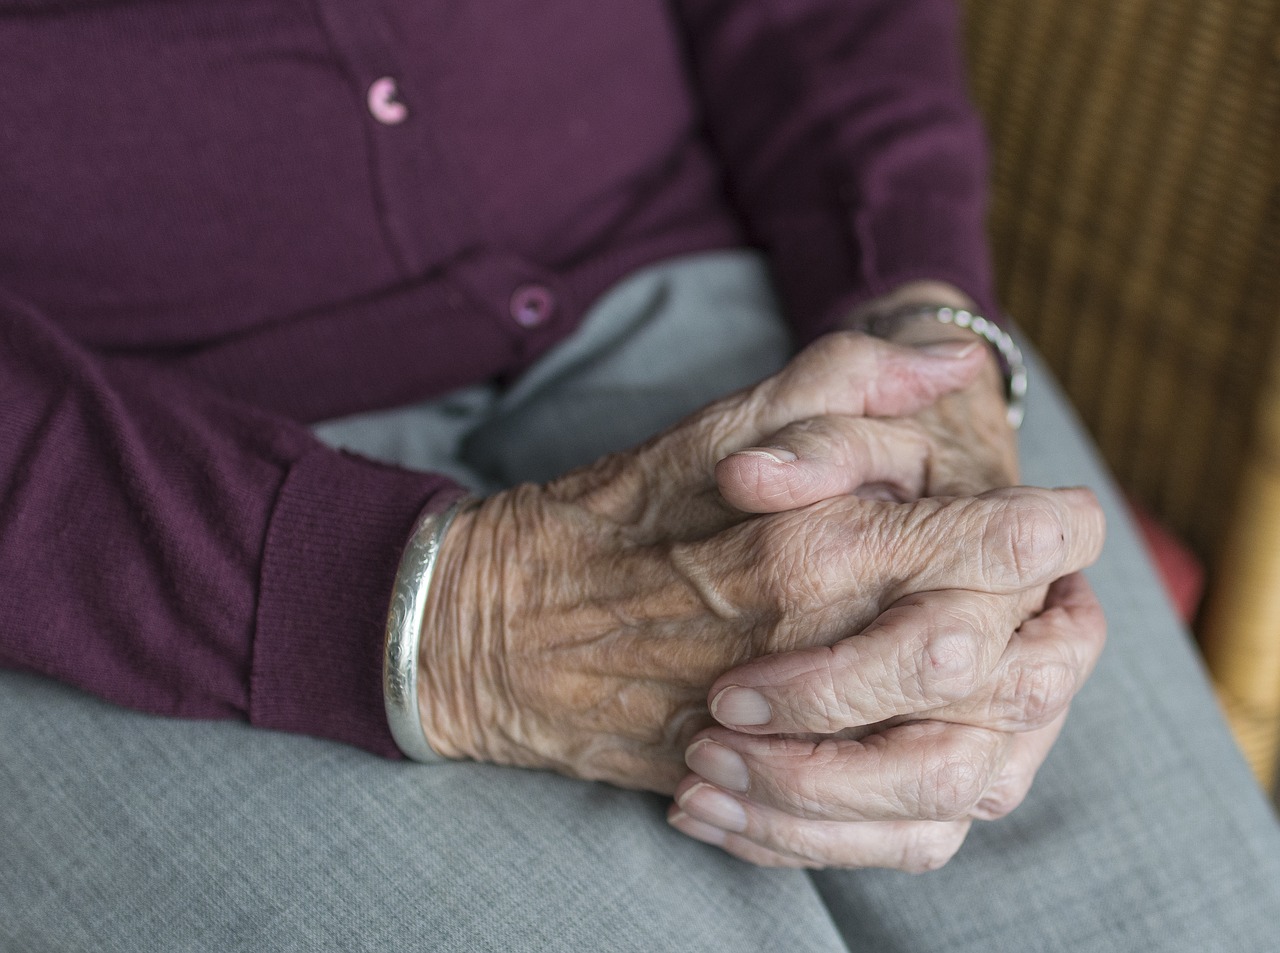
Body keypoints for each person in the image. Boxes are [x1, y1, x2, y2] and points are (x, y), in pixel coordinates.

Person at [1, 1, 1277, 949]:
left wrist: (918, 322)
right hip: (117, 489)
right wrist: (445, 624)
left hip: (754, 309)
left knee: (1188, 918)